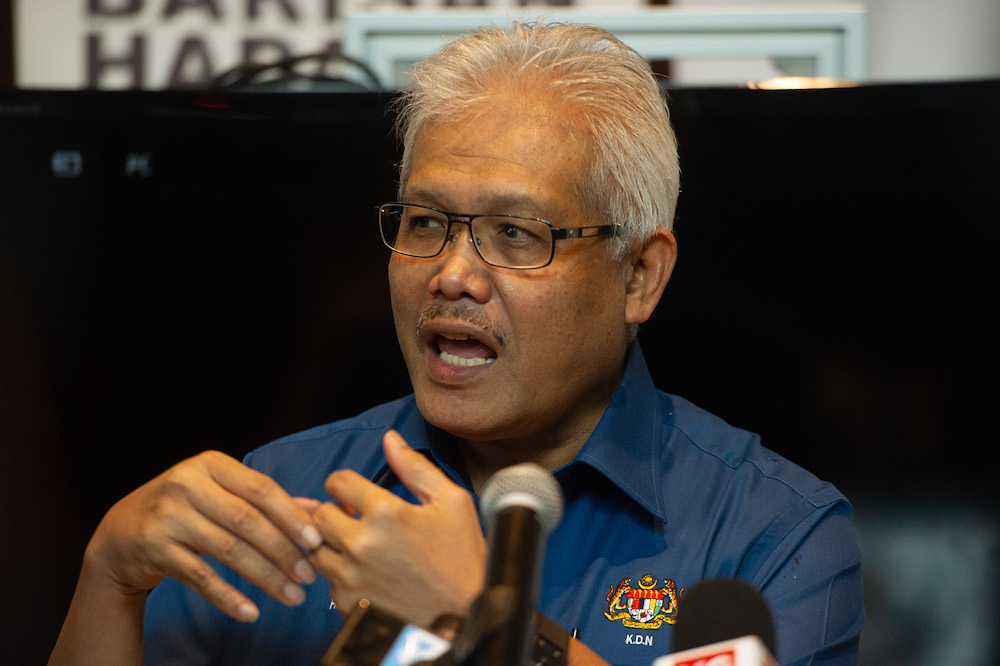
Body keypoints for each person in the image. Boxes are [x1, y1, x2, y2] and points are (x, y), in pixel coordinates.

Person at [49, 21, 864, 666]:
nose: (453, 275)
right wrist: (108, 581)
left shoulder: (772, 533)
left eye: (516, 233)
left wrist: (482, 621)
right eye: (428, 223)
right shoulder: (278, 500)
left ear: (640, 277)